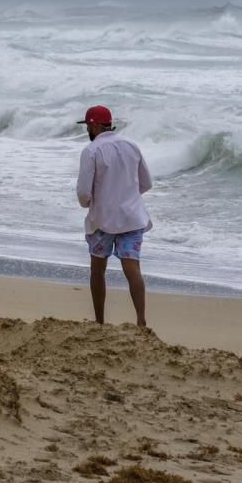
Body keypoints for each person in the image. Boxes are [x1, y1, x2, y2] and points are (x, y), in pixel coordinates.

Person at [75, 105, 152, 327]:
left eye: (88, 126)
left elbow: (83, 193)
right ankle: (141, 321)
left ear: (95, 125)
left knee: (98, 269)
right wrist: (125, 196)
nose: (88, 130)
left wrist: (89, 203)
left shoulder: (92, 151)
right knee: (133, 268)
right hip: (132, 217)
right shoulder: (131, 145)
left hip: (103, 220)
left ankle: (99, 321)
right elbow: (146, 183)